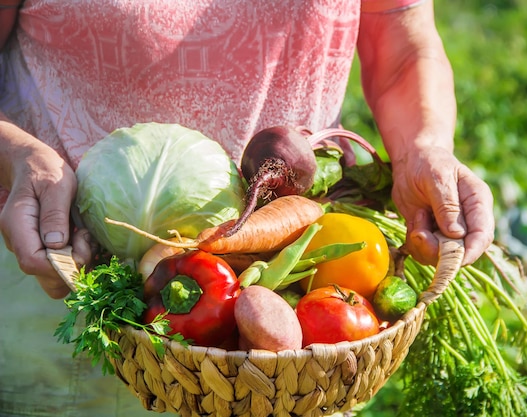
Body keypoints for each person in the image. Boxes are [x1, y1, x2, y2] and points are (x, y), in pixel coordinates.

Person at [0, 0, 494, 416]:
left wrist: (422, 148)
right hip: (62, 271)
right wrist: (19, 155)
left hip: (294, 338)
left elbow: (401, 43)